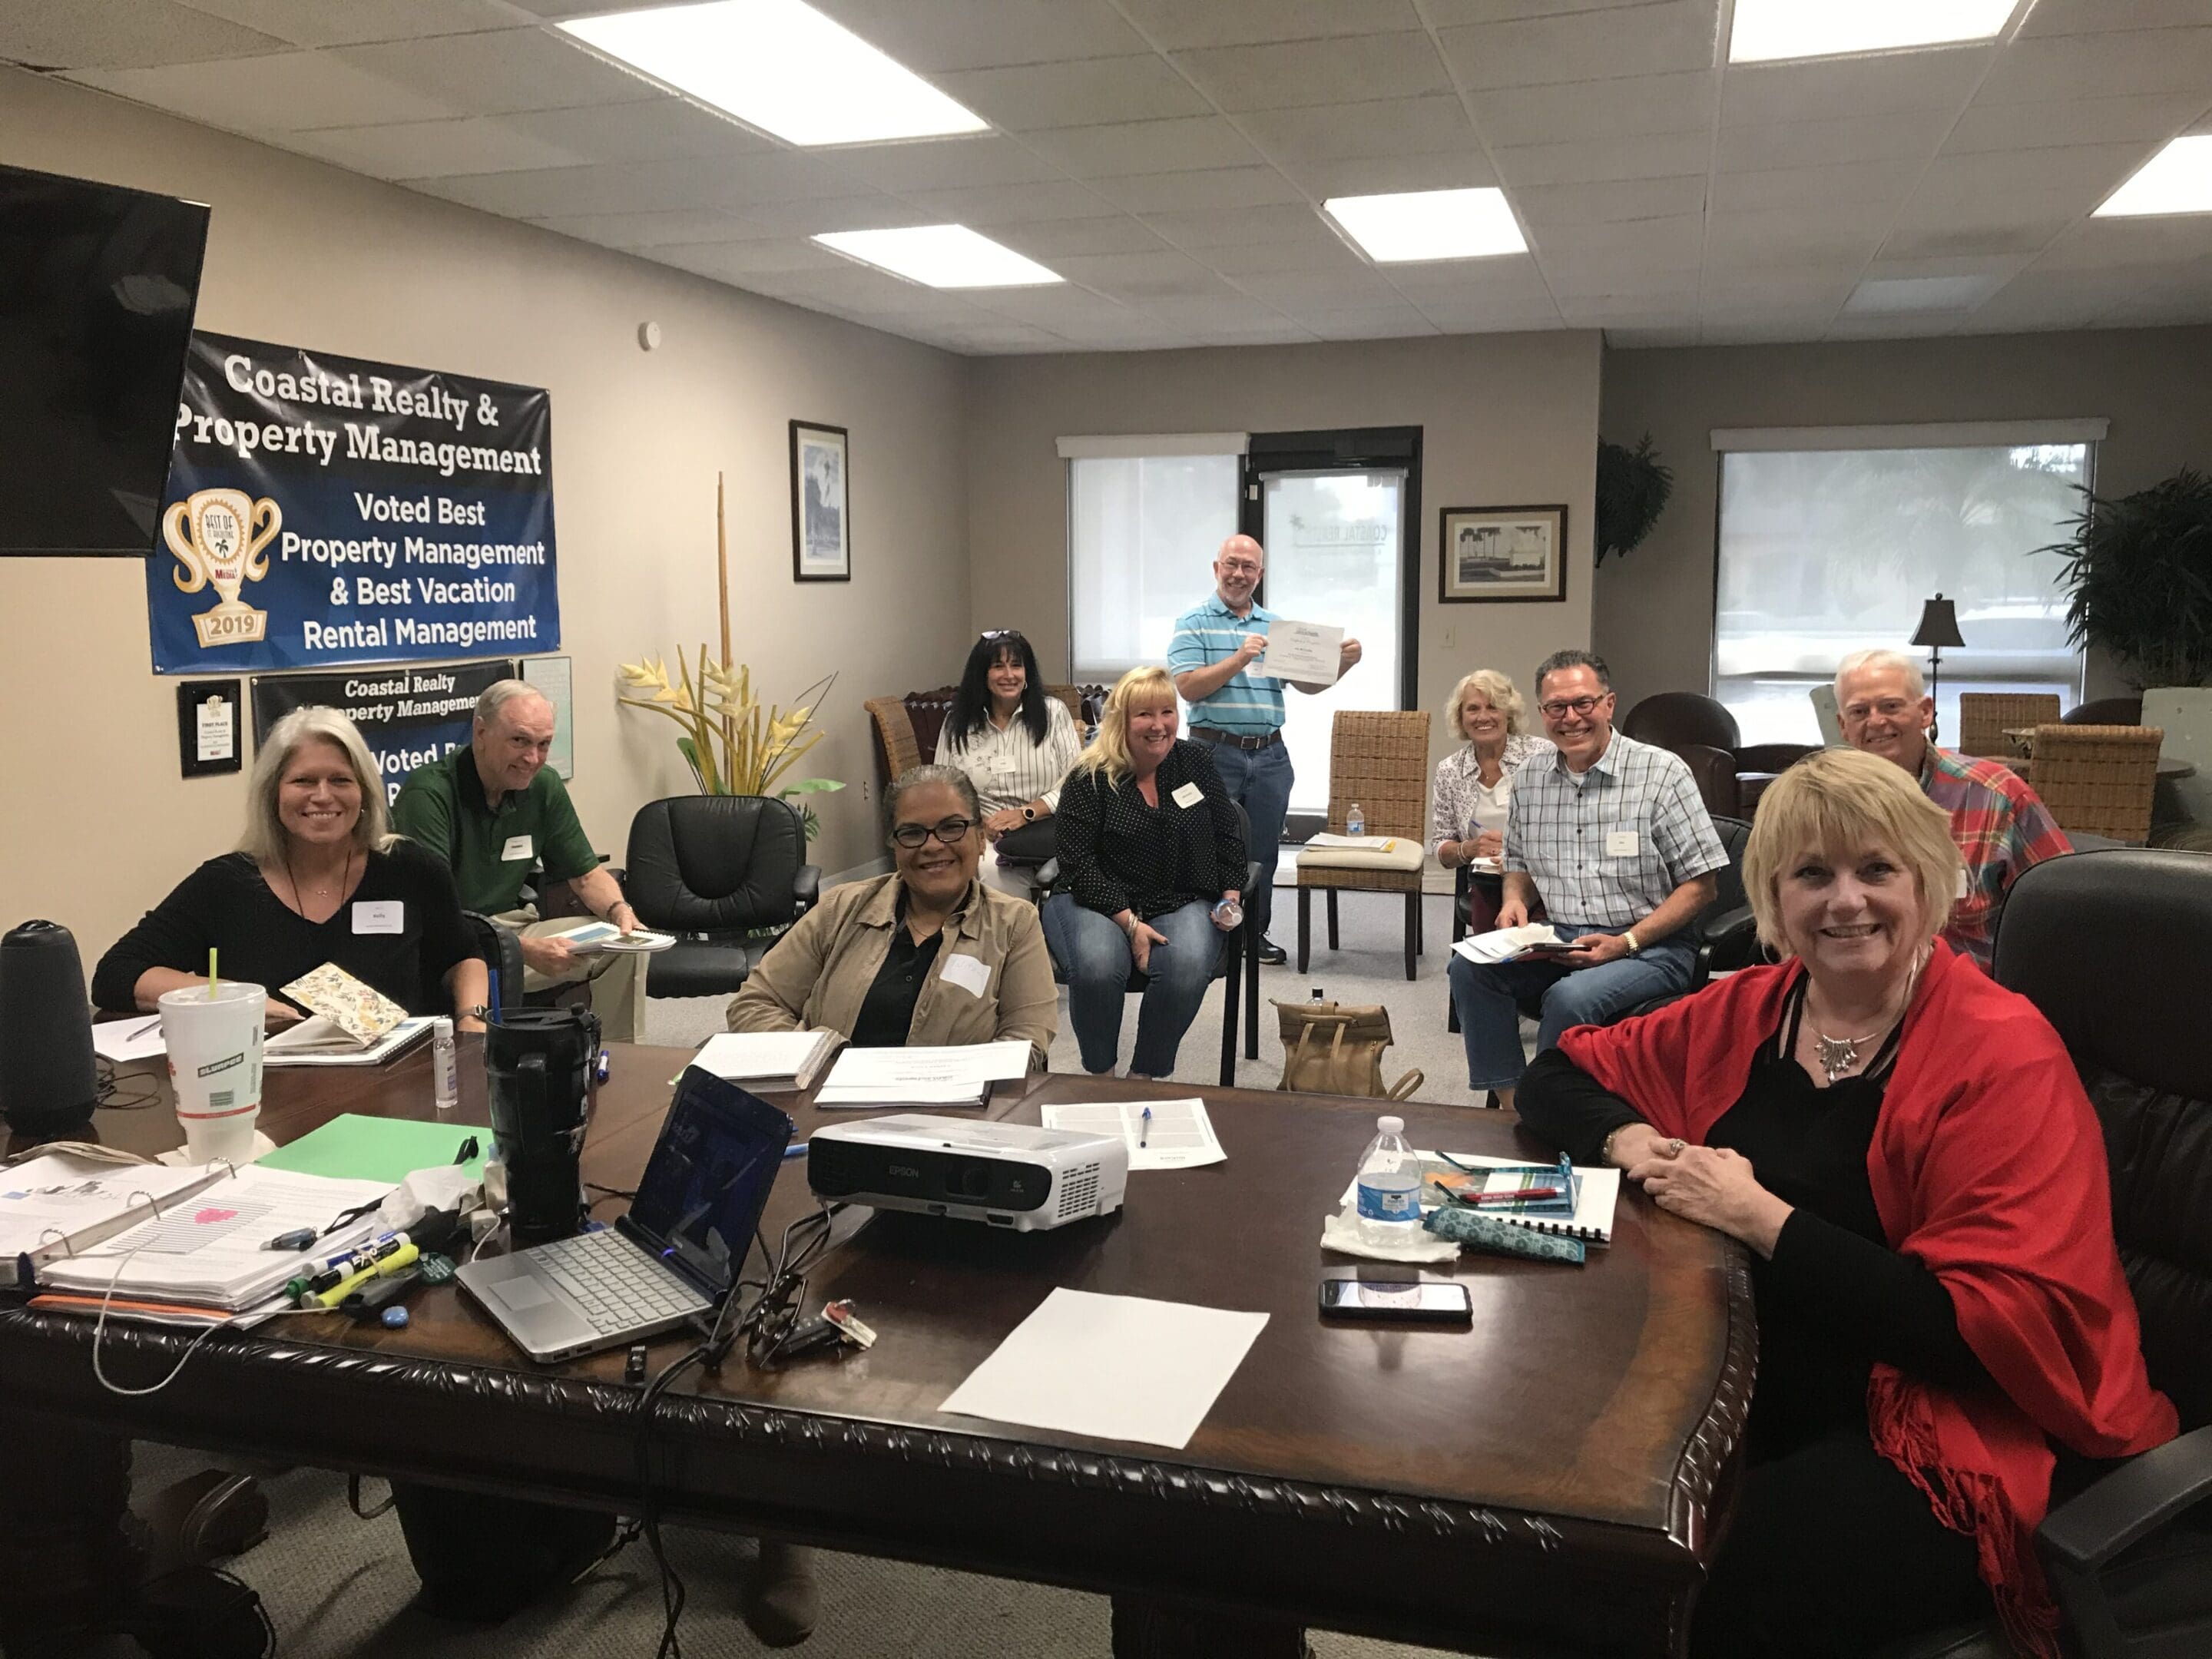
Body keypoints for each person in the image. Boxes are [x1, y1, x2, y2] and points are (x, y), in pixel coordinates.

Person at [1515, 747, 2174, 1659]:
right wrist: (1632, 1141)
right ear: (1774, 898)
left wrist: (1756, 1216)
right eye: (1812, 875)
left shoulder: (2001, 1056)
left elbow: (1970, 1334)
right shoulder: (1758, 1005)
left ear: (1928, 882)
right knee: (1552, 1512)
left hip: (1934, 1424)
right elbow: (1559, 1074)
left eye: (1877, 870)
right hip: (1742, 1369)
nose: (1845, 901)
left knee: (1673, 1584)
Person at [1445, 649, 1727, 1109]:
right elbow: (1519, 862)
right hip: (1559, 940)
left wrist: (1626, 943)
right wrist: (1514, 901)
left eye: (1583, 703)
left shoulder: (1662, 774)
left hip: (1650, 949)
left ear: (1609, 704)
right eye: (1557, 707)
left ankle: (1554, 1109)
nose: (1570, 718)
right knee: (1470, 971)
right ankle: (1516, 1105)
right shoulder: (1532, 778)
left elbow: (1702, 886)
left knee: (1568, 1000)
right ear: (1541, 714)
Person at [94, 706, 485, 1028]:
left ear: (364, 792)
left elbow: (463, 955)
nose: (322, 796)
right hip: (269, 1094)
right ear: (273, 795)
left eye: (340, 780)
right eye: (303, 781)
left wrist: (472, 1021)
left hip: (396, 1083)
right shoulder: (226, 884)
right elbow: (116, 973)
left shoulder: (410, 869)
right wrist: (238, 999)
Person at [729, 765, 1056, 1061]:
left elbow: (1026, 1041)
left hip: (954, 1119)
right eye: (912, 833)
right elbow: (755, 1004)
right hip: (827, 1106)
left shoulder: (1015, 924)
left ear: (980, 837)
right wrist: (821, 1060)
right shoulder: (839, 909)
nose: (932, 845)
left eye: (951, 827)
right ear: (894, 845)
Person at [392, 679, 646, 1039]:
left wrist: (620, 911)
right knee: (499, 956)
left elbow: (586, 876)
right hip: (454, 945)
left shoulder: (543, 786)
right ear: (481, 731)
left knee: (624, 946)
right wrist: (523, 950)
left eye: (543, 745)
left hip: (517, 927)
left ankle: (615, 1058)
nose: (533, 759)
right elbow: (435, 917)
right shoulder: (429, 794)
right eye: (520, 741)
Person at [1043, 666, 1247, 1079]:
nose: (1158, 726)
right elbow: (1076, 864)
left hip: (1181, 894)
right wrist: (1131, 923)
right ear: (1121, 719)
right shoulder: (1089, 776)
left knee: (1186, 963)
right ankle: (1102, 1076)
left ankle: (1143, 1077)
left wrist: (1230, 895)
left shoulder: (1195, 762)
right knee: (1099, 966)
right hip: (1095, 897)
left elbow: (1228, 832)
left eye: (1167, 712)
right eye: (1144, 715)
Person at [1168, 532, 1360, 965]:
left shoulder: (1277, 629)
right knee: (1208, 846)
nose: (1239, 574)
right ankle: (1209, 935)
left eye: (1248, 567)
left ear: (1260, 574)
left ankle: (1253, 934)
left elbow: (1309, 685)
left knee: (1264, 852)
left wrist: (1344, 664)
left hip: (1270, 755)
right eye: (1231, 564)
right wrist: (1238, 658)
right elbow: (1187, 686)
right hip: (1212, 752)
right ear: (1216, 568)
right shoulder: (1193, 622)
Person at [1835, 648, 2071, 969]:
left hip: (1975, 996)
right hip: (1864, 993)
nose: (1876, 721)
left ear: (1925, 712)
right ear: (1843, 726)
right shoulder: (1829, 810)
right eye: (1860, 712)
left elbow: (2066, 912)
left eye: (1891, 706)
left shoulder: (1997, 797)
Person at [932, 629, 1081, 897]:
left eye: (1016, 665)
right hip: (986, 833)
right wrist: (979, 822)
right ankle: (1015, 936)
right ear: (982, 674)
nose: (1009, 675)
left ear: (1027, 673)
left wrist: (1026, 814)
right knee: (994, 873)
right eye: (998, 666)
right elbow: (945, 789)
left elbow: (1077, 783)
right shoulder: (958, 723)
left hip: (1048, 828)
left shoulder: (1053, 713)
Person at [1430, 669, 1553, 935]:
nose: (1483, 717)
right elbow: (1440, 845)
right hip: (1486, 878)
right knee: (1488, 890)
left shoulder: (1542, 756)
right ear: (1461, 718)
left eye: (1493, 707)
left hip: (1543, 874)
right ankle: (1489, 967)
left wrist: (1519, 852)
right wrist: (1470, 848)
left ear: (1508, 713)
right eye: (1473, 709)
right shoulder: (1450, 770)